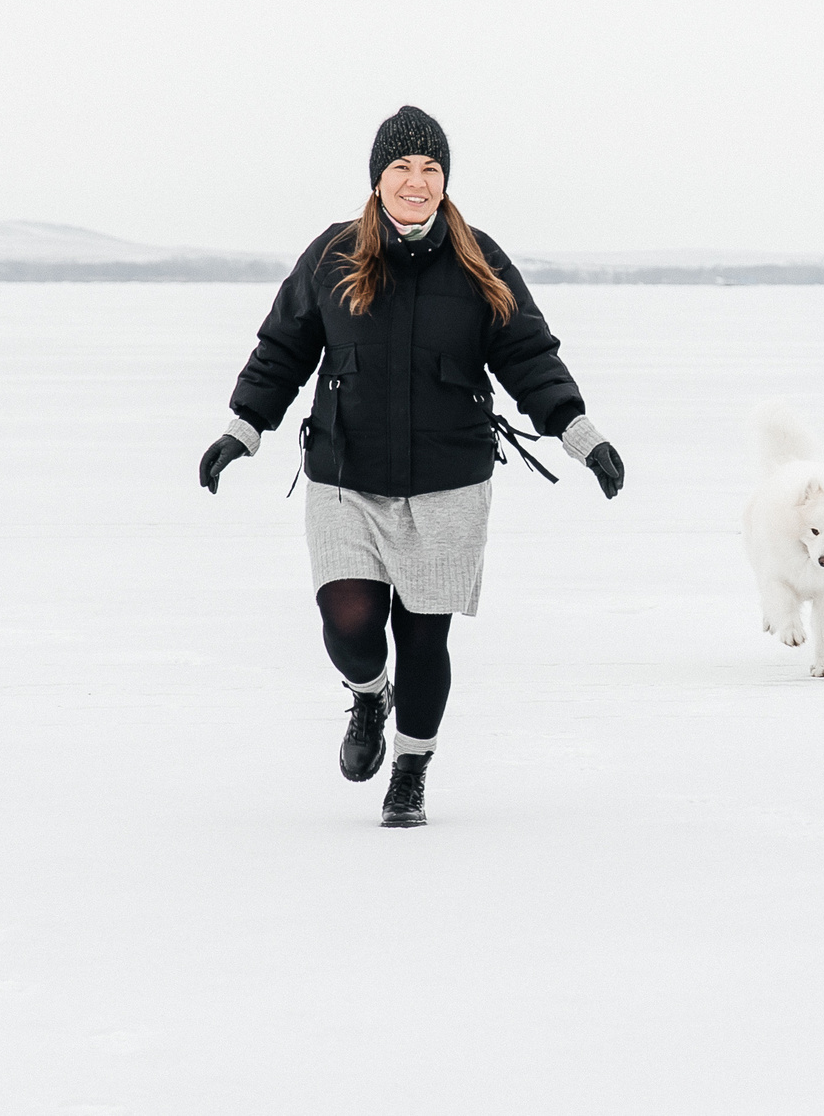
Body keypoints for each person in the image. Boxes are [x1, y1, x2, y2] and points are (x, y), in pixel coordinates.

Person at [198, 105, 625, 828]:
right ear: (377, 179)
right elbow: (283, 348)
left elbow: (528, 354)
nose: (416, 181)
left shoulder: (478, 259)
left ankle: (412, 768)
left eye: (430, 168)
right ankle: (368, 694)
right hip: (346, 473)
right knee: (350, 619)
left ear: (446, 181)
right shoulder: (333, 255)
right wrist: (243, 426)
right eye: (401, 167)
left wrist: (579, 433)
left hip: (448, 478)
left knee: (425, 633)